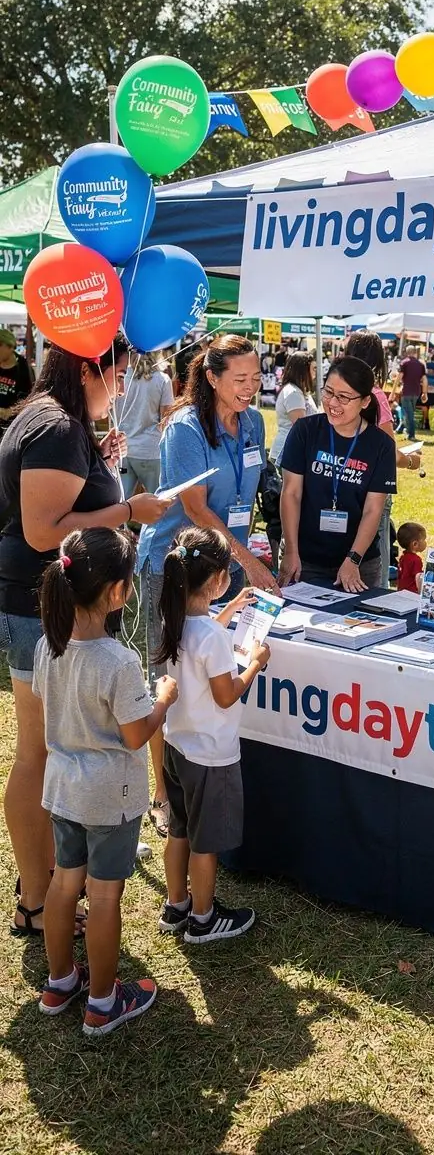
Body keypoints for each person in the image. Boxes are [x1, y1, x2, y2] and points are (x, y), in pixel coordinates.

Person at [0, 338, 170, 939]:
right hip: (37, 609)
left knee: (45, 751)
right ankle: (37, 898)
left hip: (38, 607)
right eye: (118, 376)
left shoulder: (57, 423)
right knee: (40, 753)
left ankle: (38, 888)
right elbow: (43, 529)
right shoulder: (56, 427)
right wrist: (127, 512)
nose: (123, 389)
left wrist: (96, 463)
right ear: (89, 367)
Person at [34, 527, 178, 1034]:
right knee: (103, 896)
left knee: (64, 882)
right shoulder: (119, 661)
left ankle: (59, 980)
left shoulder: (46, 646)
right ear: (118, 592)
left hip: (63, 789)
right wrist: (164, 697)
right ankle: (102, 1000)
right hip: (110, 798)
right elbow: (137, 734)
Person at [137, 335, 278, 839]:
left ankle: (210, 761)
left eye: (257, 377)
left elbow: (254, 488)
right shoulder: (185, 428)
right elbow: (195, 507)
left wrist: (257, 554)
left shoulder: (256, 421)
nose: (250, 387)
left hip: (227, 562)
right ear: (212, 378)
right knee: (170, 677)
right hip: (174, 567)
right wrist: (248, 561)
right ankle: (163, 791)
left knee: (215, 663)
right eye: (239, 380)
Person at [156, 526, 269, 944]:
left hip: (177, 745)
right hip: (210, 756)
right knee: (206, 843)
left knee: (180, 831)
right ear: (219, 579)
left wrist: (231, 608)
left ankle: (177, 905)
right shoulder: (213, 639)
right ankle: (203, 919)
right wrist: (255, 664)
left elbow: (202, 638)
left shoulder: (174, 619)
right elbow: (226, 695)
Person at [280, 355, 397, 593]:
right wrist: (291, 551)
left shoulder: (381, 445)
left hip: (360, 563)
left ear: (365, 401)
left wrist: (353, 559)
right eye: (328, 392)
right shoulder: (305, 430)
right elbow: (291, 493)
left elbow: (373, 509)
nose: (333, 403)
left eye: (344, 397)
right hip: (305, 560)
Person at [345, 331, 422, 585]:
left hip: (345, 481)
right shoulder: (375, 395)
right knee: (376, 555)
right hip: (373, 486)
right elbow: (388, 451)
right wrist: (411, 461)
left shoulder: (339, 392)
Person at [116, 350, 173, 499]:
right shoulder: (162, 380)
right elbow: (165, 420)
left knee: (121, 502)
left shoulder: (121, 377)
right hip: (150, 449)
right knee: (157, 503)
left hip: (123, 448)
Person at [270, 351, 317, 463]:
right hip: (287, 453)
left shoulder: (299, 391)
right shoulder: (293, 393)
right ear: (303, 370)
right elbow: (302, 426)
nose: (316, 373)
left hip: (294, 451)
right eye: (313, 368)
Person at [0, 328, 32, 438]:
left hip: (12, 428)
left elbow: (30, 399)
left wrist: (10, 411)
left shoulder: (23, 368)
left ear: (10, 346)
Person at [395, 346, 427, 441]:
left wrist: (393, 392)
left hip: (406, 391)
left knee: (408, 414)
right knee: (409, 412)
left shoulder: (404, 363)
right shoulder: (421, 364)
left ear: (407, 353)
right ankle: (401, 429)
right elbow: (424, 379)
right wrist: (425, 393)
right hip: (416, 392)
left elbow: (399, 378)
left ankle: (411, 434)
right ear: (415, 353)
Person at [397, 522, 426, 593]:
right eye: (424, 539)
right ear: (415, 544)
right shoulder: (416, 560)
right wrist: (421, 592)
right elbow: (418, 577)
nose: (425, 542)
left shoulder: (403, 557)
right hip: (412, 593)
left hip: (401, 590)